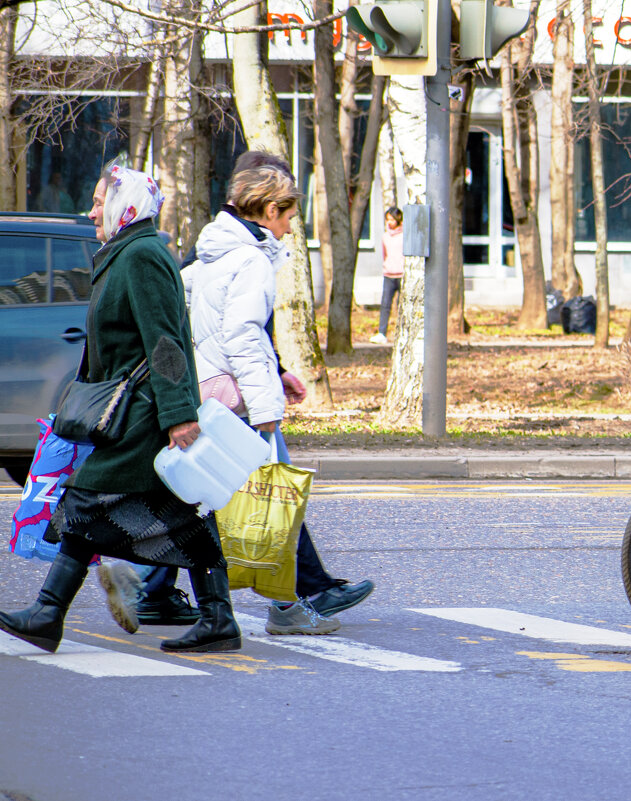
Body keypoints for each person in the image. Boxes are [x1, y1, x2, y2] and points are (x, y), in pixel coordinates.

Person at [0, 164, 241, 654]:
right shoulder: (124, 253)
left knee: (87, 498)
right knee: (186, 514)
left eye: (97, 201)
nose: (89, 211)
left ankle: (49, 614)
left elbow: (167, 341)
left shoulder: (143, 256)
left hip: (147, 415)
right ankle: (218, 619)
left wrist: (179, 416)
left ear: (123, 204)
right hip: (133, 412)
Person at [181, 156, 373, 635]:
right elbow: (244, 334)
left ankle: (154, 584)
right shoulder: (249, 259)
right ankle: (290, 605)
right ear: (267, 210)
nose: (289, 228)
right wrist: (266, 410)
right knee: (269, 502)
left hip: (215, 390)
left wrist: (278, 372)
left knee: (223, 502)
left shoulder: (212, 251)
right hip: (240, 400)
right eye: (287, 216)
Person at [369, 206, 403, 345]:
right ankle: (382, 332)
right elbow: (385, 255)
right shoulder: (385, 237)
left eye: (391, 219)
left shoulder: (404, 235)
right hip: (389, 274)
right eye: (387, 219)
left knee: (401, 305)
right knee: (385, 305)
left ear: (398, 219)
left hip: (402, 274)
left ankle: (401, 332)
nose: (389, 222)